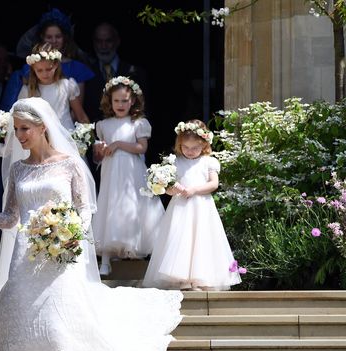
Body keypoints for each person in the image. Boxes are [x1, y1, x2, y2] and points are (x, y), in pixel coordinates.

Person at [0, 97, 182, 351]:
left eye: (24, 129)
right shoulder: (18, 170)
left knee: (57, 328)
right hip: (26, 258)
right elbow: (10, 218)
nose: (18, 136)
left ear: (42, 127)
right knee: (24, 325)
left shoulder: (69, 164)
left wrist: (65, 235)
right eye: (15, 130)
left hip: (61, 257)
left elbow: (84, 210)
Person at [143, 120, 242, 290]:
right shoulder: (175, 162)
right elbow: (167, 187)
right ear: (179, 144)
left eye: (195, 148)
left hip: (201, 207)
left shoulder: (208, 162)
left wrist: (194, 190)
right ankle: (181, 279)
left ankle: (199, 278)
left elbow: (213, 184)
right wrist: (173, 189)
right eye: (186, 147)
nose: (190, 152)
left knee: (200, 239)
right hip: (180, 207)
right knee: (180, 239)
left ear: (204, 145)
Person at [92, 76, 164, 276]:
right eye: (116, 100)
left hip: (132, 172)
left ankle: (134, 251)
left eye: (125, 100)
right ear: (110, 101)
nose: (121, 104)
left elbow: (141, 147)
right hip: (111, 171)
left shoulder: (138, 123)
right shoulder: (104, 125)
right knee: (110, 207)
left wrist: (118, 144)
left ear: (132, 100)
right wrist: (101, 150)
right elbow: (99, 156)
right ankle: (105, 259)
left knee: (133, 206)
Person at [0, 8, 94, 114]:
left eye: (58, 36)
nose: (53, 41)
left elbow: (77, 110)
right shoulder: (31, 66)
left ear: (64, 38)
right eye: (49, 37)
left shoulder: (77, 68)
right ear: (42, 37)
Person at [84, 22, 148, 124]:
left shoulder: (136, 72)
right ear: (93, 43)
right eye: (99, 41)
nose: (103, 46)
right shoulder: (86, 72)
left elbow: (144, 106)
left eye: (108, 41)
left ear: (117, 41)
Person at [16, 42, 89, 129]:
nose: (45, 74)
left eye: (48, 69)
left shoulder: (67, 85)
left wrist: (88, 138)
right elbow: (19, 119)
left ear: (56, 65)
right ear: (33, 69)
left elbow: (81, 116)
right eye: (39, 70)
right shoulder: (28, 90)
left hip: (65, 134)